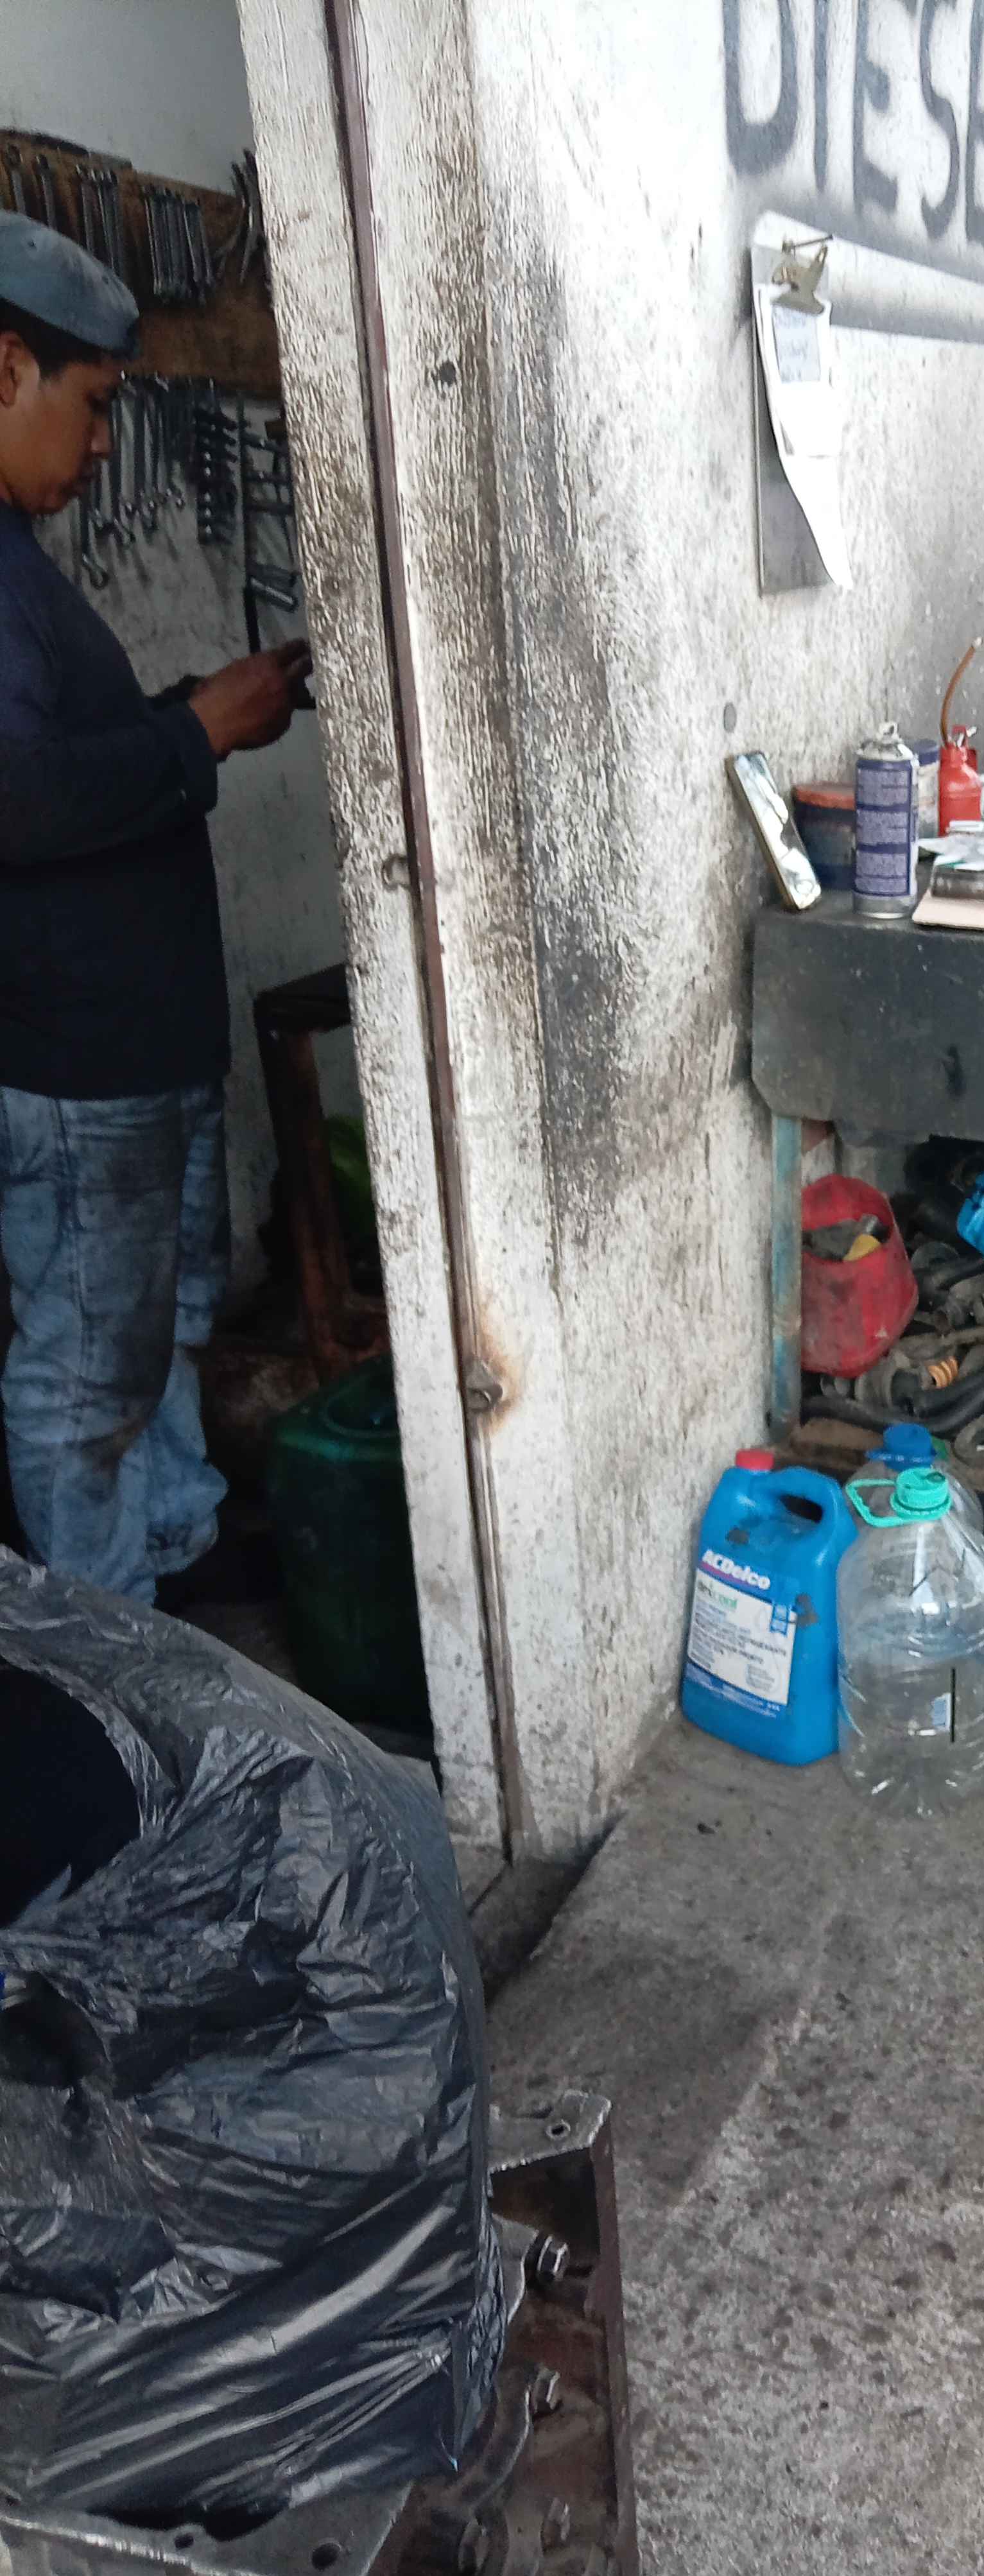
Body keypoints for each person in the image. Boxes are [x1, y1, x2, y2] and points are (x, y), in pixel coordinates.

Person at [0, 213, 313, 1605]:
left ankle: (178, 1577)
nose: (102, 443)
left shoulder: (20, 564)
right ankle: (106, 1667)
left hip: (138, 1056)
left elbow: (59, 759)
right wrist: (196, 733)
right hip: (80, 1073)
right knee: (85, 1382)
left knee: (160, 1336)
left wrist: (193, 712)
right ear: (8, 368)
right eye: (94, 404)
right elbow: (16, 802)